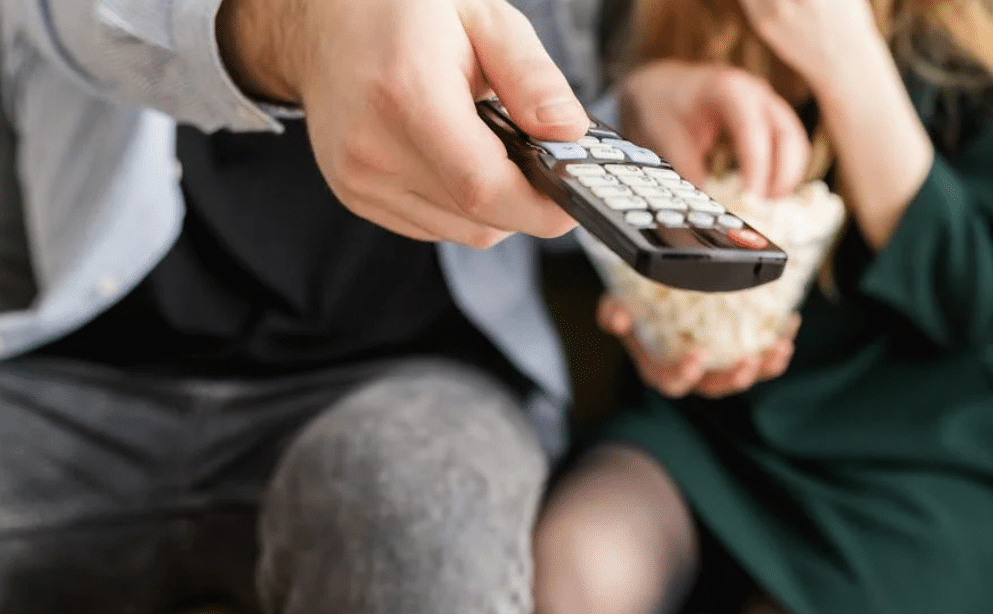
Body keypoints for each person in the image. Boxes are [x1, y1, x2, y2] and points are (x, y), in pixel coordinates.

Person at [0, 0, 619, 612]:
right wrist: (302, 29)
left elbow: (571, 116)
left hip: (417, 378)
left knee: (417, 522)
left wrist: (643, 98)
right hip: (81, 369)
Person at [533, 0, 993, 613]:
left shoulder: (978, 60)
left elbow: (967, 302)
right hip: (708, 434)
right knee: (573, 571)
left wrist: (848, 61)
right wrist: (657, 316)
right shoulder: (655, 31)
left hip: (922, 463)